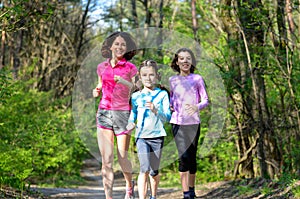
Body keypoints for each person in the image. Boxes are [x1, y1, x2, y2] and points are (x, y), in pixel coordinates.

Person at [92, 31, 137, 199]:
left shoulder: (131, 68)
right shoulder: (101, 67)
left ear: (127, 49)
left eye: (123, 45)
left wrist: (123, 81)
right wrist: (96, 91)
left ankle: (129, 185)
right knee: (107, 160)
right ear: (110, 46)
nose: (119, 47)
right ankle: (108, 197)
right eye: (117, 44)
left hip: (123, 113)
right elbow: (99, 85)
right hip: (104, 112)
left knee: (122, 155)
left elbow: (136, 89)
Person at [126, 60, 171, 199]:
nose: (148, 78)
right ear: (140, 76)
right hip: (141, 136)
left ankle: (154, 195)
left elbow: (167, 117)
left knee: (153, 171)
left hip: (157, 136)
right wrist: (130, 124)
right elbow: (133, 114)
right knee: (143, 168)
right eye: (145, 75)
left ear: (157, 76)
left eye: (151, 75)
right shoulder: (136, 96)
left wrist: (155, 110)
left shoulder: (163, 94)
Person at [169, 48, 209, 199]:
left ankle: (192, 190)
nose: (185, 61)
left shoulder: (197, 79)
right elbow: (172, 98)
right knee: (183, 156)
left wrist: (196, 107)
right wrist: (171, 105)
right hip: (177, 122)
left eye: (188, 58)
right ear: (177, 62)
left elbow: (205, 100)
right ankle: (186, 193)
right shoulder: (172, 80)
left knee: (191, 157)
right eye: (181, 59)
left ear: (191, 62)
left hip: (193, 123)